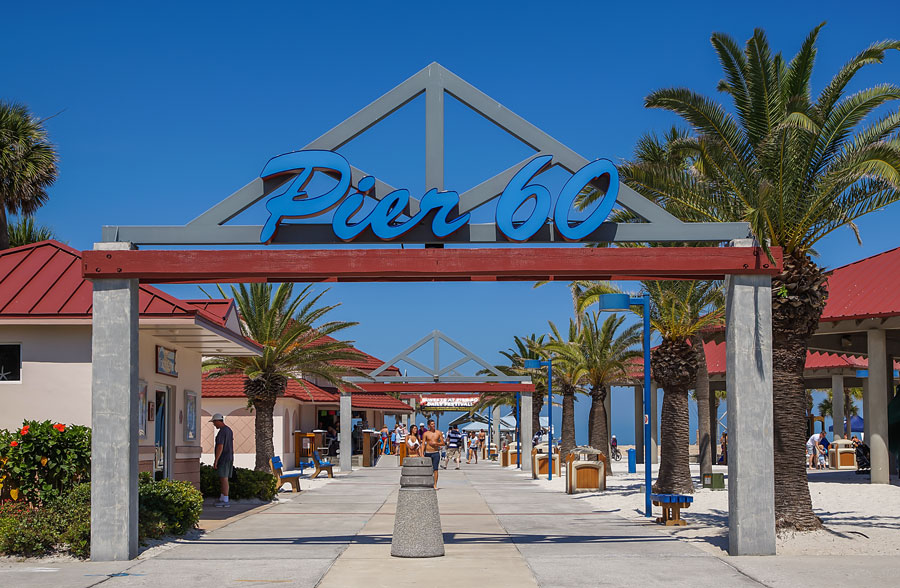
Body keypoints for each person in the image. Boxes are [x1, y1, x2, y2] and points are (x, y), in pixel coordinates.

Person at [211, 413, 233, 508]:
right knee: (224, 478)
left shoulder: (222, 432)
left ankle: (225, 500)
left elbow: (220, 446)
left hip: (223, 458)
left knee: (223, 478)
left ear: (217, 421)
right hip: (229, 457)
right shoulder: (229, 430)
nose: (214, 424)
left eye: (214, 422)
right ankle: (222, 497)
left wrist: (216, 460)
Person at [422, 419, 445, 488]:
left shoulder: (438, 433)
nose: (433, 425)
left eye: (434, 424)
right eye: (432, 424)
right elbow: (423, 444)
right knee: (427, 470)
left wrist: (436, 443)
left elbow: (443, 443)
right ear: (429, 426)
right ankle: (427, 483)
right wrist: (422, 454)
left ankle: (435, 484)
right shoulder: (426, 434)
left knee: (435, 469)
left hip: (435, 453)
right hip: (428, 453)